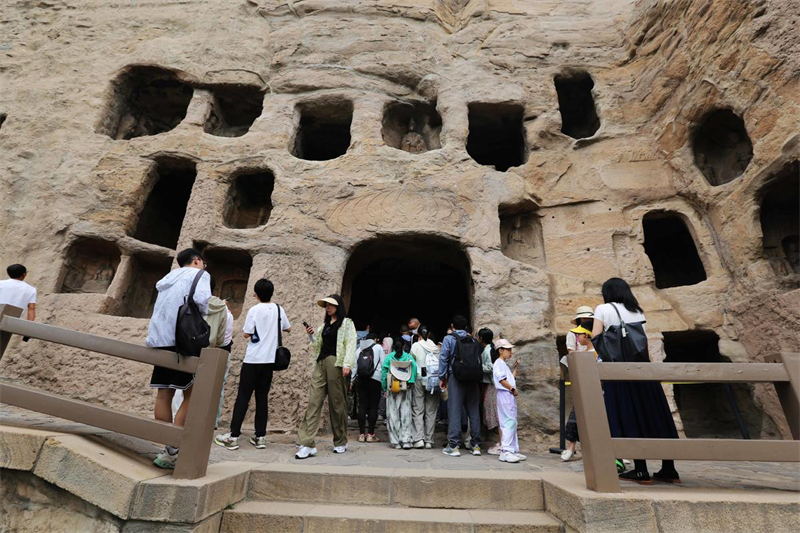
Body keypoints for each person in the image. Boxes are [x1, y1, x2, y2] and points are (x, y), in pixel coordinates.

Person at [592, 277, 680, 485]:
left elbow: (596, 336)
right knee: (654, 414)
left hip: (620, 372)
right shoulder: (636, 310)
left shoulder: (603, 309)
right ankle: (669, 468)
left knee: (628, 415)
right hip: (643, 371)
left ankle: (640, 470)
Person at [145, 248, 211, 469]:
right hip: (184, 339)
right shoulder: (200, 275)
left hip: (160, 339)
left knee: (163, 394)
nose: (204, 267)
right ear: (196, 261)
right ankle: (174, 447)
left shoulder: (166, 279)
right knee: (192, 392)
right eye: (203, 263)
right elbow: (202, 302)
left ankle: (167, 446)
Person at [214, 279, 290, 451]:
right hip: (269, 361)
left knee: (243, 397)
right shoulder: (279, 309)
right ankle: (260, 436)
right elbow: (288, 328)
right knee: (262, 398)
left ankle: (233, 436)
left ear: (256, 293)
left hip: (253, 359)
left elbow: (246, 334)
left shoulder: (254, 310)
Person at [296, 294, 357, 459]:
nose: (327, 307)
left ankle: (340, 441)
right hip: (321, 363)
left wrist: (347, 364)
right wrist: (310, 335)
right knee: (313, 402)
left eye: (330, 305)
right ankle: (307, 443)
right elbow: (317, 346)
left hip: (336, 363)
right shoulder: (324, 327)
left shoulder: (346, 323)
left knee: (337, 404)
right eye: (326, 305)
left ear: (338, 306)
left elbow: (351, 343)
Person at [439, 315, 482, 457]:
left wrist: (442, 376)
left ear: (452, 326)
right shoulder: (474, 340)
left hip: (456, 377)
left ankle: (454, 445)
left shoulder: (449, 339)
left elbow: (444, 358)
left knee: (455, 410)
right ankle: (475, 445)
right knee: (473, 411)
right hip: (473, 379)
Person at [561, 306, 595, 461]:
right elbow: (571, 354)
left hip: (598, 380)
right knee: (577, 412)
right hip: (582, 376)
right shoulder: (572, 334)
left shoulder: (598, 333)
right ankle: (571, 447)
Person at [493, 339, 525, 463]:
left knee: (512, 421)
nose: (510, 352)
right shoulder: (499, 363)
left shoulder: (503, 364)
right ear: (500, 350)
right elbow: (502, 380)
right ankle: (506, 451)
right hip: (505, 394)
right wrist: (512, 389)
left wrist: (515, 367)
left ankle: (512, 449)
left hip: (507, 394)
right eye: (508, 350)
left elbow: (510, 378)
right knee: (508, 421)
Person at [382, 338, 417, 449]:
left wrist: (384, 387)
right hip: (405, 387)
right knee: (405, 413)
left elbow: (384, 373)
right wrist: (411, 381)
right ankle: (406, 440)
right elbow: (414, 368)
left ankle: (395, 441)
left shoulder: (388, 358)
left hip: (392, 388)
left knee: (392, 414)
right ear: (403, 347)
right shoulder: (408, 357)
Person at [409, 326, 440, 449]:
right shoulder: (436, 347)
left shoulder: (416, 346)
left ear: (419, 335)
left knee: (418, 409)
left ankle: (418, 439)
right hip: (433, 380)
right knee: (431, 411)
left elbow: (412, 361)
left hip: (419, 379)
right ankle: (429, 440)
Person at [351, 332, 384, 442]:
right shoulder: (378, 347)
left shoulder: (359, 349)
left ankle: (361, 434)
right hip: (375, 380)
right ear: (374, 339)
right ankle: (370, 434)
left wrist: (351, 382)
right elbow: (384, 365)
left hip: (361, 380)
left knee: (362, 406)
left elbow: (355, 367)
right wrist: (384, 382)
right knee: (373, 407)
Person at [477, 328, 501, 455]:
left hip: (490, 384)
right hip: (492, 384)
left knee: (493, 413)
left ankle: (500, 441)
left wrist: (478, 367)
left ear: (480, 338)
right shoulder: (492, 348)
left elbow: (491, 367)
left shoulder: (487, 351)